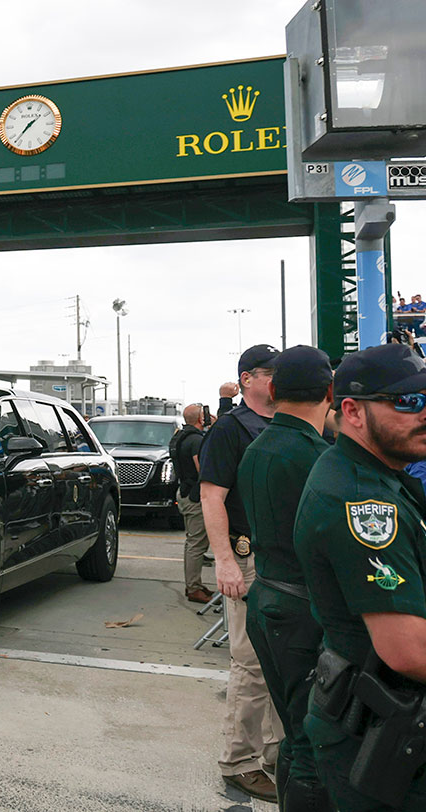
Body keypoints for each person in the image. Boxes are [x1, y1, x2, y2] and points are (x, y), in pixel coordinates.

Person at [295, 343, 426, 810]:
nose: (423, 411)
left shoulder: (379, 474)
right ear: (351, 411)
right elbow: (408, 651)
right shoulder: (363, 504)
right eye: (407, 401)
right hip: (381, 729)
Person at [236, 345, 333, 811]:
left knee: (296, 733)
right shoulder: (317, 456)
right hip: (303, 611)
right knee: (315, 738)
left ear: (273, 389)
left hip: (268, 599)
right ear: (330, 392)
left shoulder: (259, 446)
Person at [199, 343, 282, 802]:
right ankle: (239, 762)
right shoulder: (230, 429)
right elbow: (212, 496)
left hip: (285, 559)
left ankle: (273, 755)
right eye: (270, 372)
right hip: (247, 557)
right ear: (247, 378)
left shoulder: (289, 423)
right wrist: (225, 561)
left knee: (283, 663)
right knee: (250, 664)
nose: (278, 379)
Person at [174, 403, 212, 604]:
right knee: (196, 544)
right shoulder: (196, 440)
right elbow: (202, 470)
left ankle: (194, 584)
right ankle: (193, 588)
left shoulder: (180, 436)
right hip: (195, 496)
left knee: (193, 542)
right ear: (200, 419)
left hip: (185, 492)